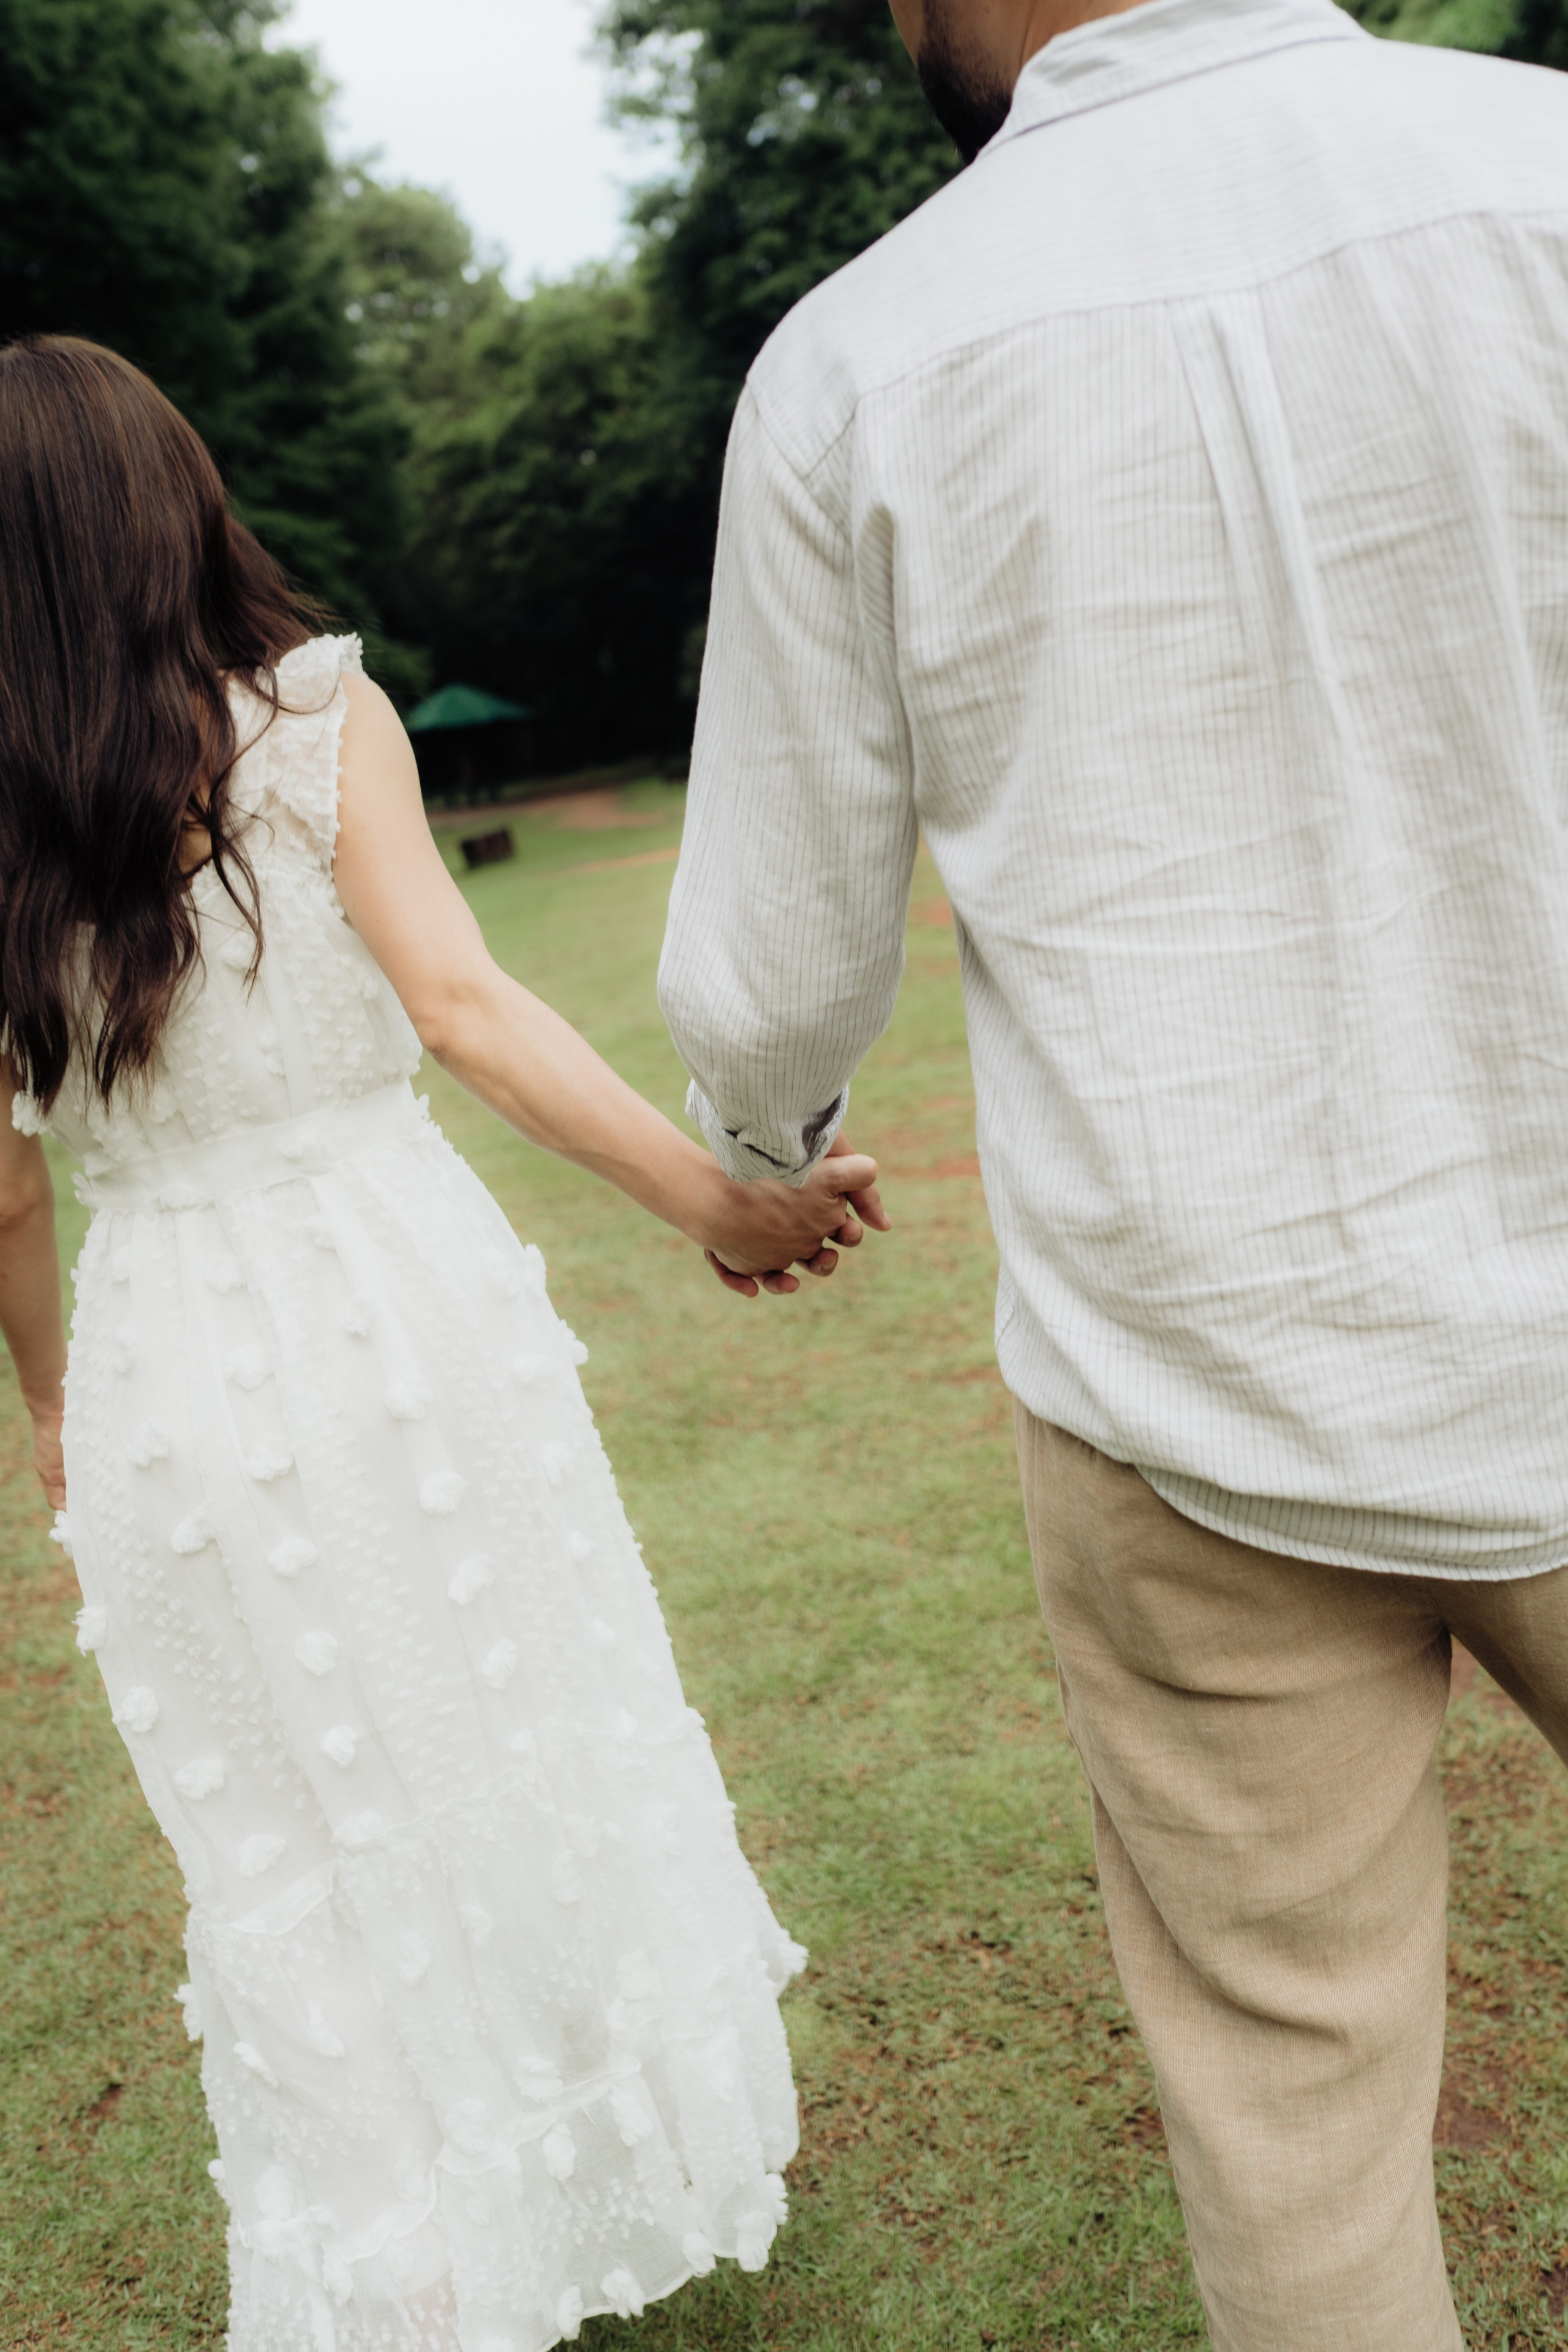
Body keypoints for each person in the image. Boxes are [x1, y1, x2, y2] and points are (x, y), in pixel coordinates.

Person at [656, 0, 1568, 2342]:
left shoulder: (862, 361)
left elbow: (767, 973)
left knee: (1300, 2141)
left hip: (1186, 1380)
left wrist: (768, 1146)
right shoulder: (1538, 168)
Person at [0, 334, 888, 2352]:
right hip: (394, 1309)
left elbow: (8, 1186)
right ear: (175, 501)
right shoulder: (314, 721)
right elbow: (469, 1010)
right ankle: (590, 2169)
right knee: (506, 1725)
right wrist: (717, 1205)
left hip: (164, 1373)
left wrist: (53, 1399)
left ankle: (402, 2259)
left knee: (288, 1829)